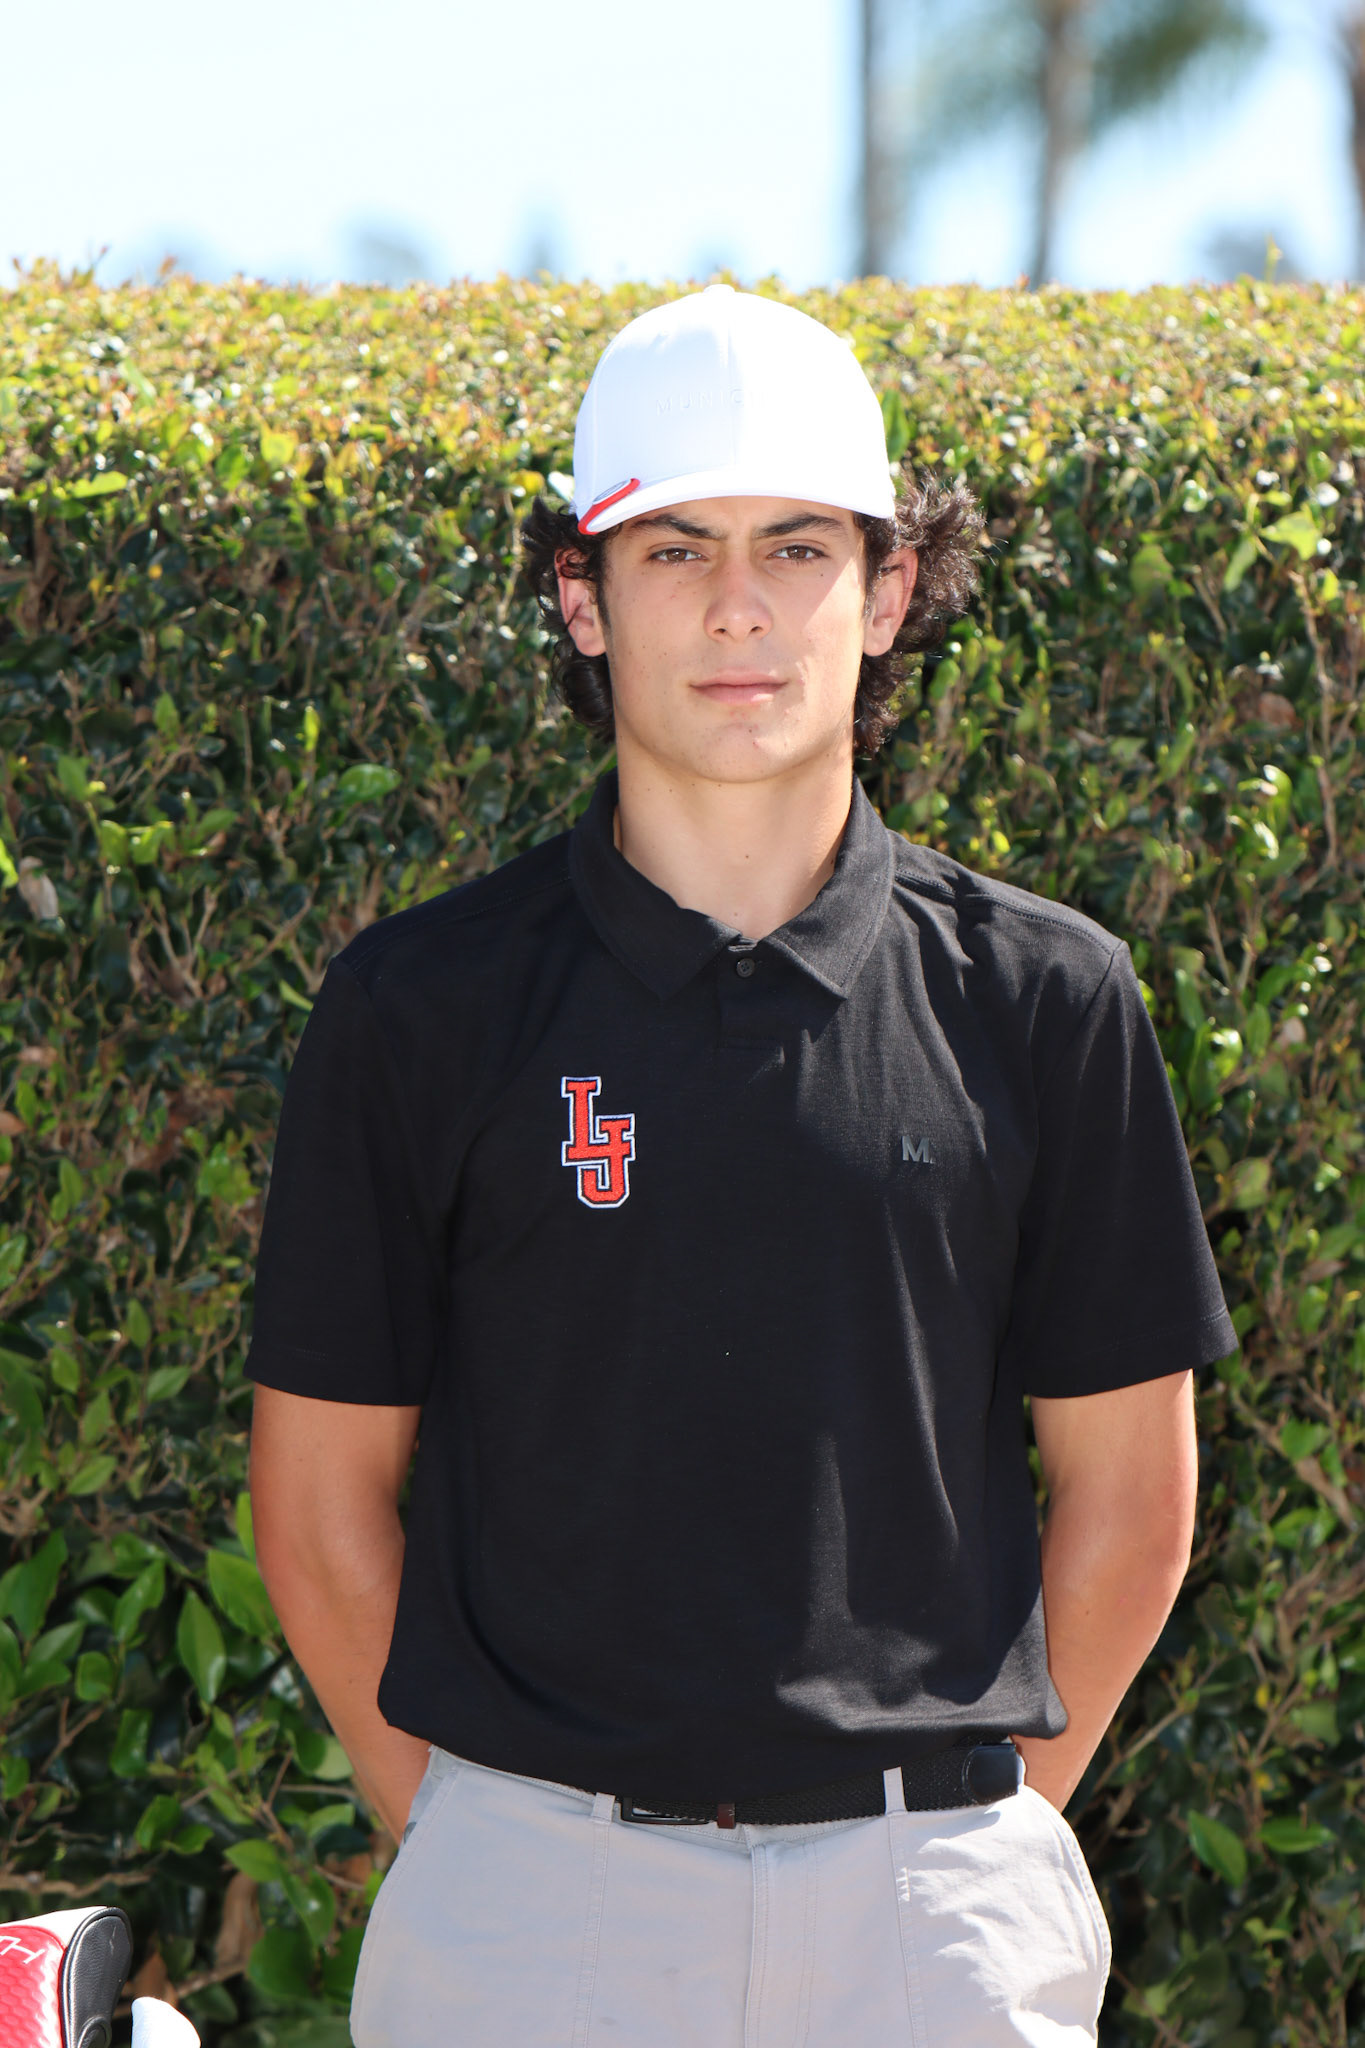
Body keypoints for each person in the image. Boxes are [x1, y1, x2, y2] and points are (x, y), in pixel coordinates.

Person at [247, 285, 1234, 2045]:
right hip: (531, 1915)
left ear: (887, 591)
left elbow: (1132, 1498)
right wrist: (479, 1839)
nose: (736, 608)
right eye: (673, 550)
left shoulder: (1043, 996)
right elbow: (319, 1509)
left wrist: (969, 1844)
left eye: (796, 547)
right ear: (583, 599)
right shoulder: (420, 1007)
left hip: (932, 1915)